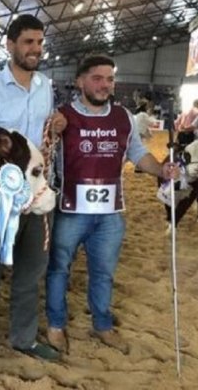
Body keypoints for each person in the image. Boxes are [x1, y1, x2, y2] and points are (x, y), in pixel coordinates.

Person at [45, 55, 179, 355]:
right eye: (97, 78)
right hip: (70, 210)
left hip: (109, 214)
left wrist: (160, 169)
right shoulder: (61, 116)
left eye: (109, 79)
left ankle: (102, 325)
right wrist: (53, 131)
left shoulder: (123, 118)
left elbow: (138, 154)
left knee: (103, 272)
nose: (105, 85)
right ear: (80, 81)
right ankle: (55, 324)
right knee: (58, 269)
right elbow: (43, 154)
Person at [0, 14, 67, 367]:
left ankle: (23, 338)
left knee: (31, 271)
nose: (35, 49)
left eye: (39, 42)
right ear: (10, 45)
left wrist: (58, 123)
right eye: (28, 42)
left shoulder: (45, 87)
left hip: (37, 195)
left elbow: (43, 138)